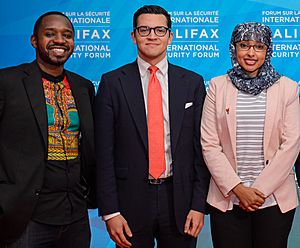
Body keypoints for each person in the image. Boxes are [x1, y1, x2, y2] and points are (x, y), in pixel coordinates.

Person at [94, 5, 210, 248]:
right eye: (144, 29)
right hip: (130, 203)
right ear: (133, 35)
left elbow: (201, 150)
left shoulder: (192, 83)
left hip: (180, 200)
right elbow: (103, 153)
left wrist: (199, 205)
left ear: (170, 35)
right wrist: (111, 212)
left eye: (160, 29)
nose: (152, 35)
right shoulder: (112, 83)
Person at [0, 11, 96, 247]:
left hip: (75, 215)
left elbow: (90, 146)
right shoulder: (8, 82)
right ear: (34, 40)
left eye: (67, 35)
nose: (60, 41)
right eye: (50, 34)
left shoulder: (83, 87)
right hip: (25, 217)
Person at [201, 22, 300, 248]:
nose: (251, 53)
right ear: (234, 48)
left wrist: (258, 192)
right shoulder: (217, 86)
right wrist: (238, 189)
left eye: (259, 46)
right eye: (244, 45)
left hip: (274, 201)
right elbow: (209, 144)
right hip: (227, 199)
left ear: (268, 50)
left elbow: (291, 144)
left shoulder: (287, 88)